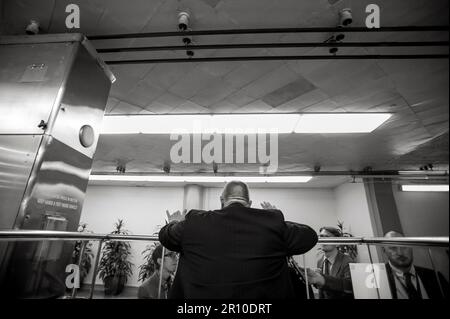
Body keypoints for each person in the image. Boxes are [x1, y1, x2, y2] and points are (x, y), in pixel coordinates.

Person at [158, 181, 318, 299]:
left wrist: (174, 222)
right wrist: (272, 216)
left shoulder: (195, 222)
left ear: (222, 201)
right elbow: (310, 237)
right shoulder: (272, 223)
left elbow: (165, 236)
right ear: (249, 204)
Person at [383, 231, 448, 299]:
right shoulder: (377, 278)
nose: (400, 252)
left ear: (411, 247)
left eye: (404, 246)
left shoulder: (434, 276)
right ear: (384, 251)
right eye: (393, 248)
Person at [306, 226, 354, 299]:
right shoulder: (320, 260)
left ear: (337, 243)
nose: (323, 240)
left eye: (327, 237)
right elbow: (321, 290)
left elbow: (349, 287)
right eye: (321, 237)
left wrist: (322, 279)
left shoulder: (347, 261)